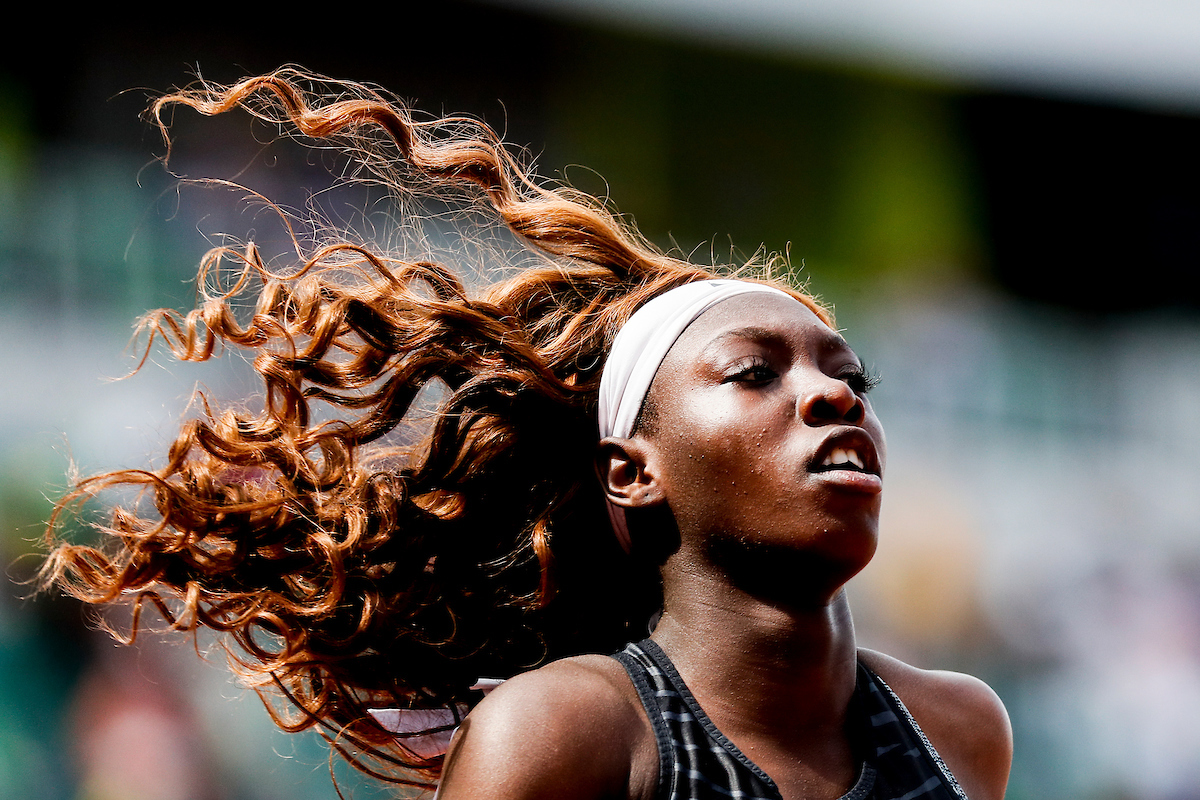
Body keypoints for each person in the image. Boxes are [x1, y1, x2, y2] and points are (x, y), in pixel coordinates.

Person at [41, 68, 1012, 800]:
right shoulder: (566, 732)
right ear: (634, 470)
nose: (832, 396)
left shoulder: (960, 729)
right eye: (756, 372)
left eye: (850, 375)